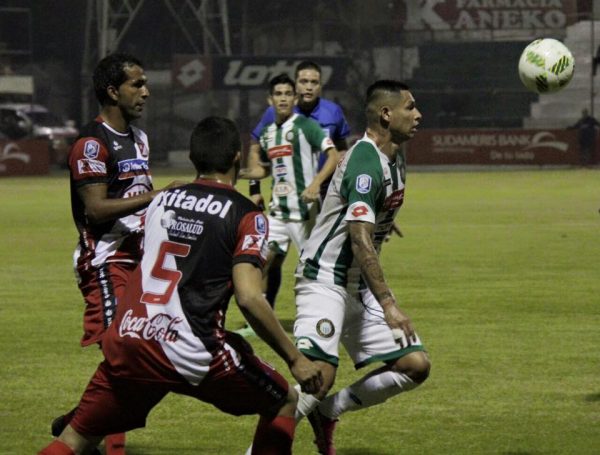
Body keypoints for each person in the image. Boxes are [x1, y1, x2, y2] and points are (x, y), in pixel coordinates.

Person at [39, 116, 323, 455]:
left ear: (191, 158)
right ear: (237, 157)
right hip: (190, 348)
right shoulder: (247, 215)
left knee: (73, 440)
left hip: (131, 339)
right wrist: (295, 359)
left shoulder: (160, 200)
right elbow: (248, 296)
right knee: (284, 401)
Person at [292, 80, 431, 454]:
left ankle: (329, 412)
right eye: (410, 107)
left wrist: (381, 215)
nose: (418, 114)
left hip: (357, 284)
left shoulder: (395, 154)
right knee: (317, 377)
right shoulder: (367, 160)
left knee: (414, 365)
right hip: (325, 278)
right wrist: (389, 304)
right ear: (386, 114)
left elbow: (366, 208)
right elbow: (359, 239)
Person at [53, 53, 181, 454]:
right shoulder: (91, 144)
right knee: (123, 353)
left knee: (150, 353)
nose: (146, 91)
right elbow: (95, 209)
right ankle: (111, 446)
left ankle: (76, 423)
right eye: (137, 84)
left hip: (141, 262)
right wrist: (159, 195)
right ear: (113, 91)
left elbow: (139, 202)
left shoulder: (139, 138)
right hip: (106, 262)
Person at [243, 61, 350, 325]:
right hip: (280, 209)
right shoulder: (271, 123)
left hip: (314, 204)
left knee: (316, 266)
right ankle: (261, 317)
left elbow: (339, 153)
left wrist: (324, 185)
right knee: (264, 260)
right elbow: (259, 156)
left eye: (314, 82)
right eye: (303, 81)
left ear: (320, 85)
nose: (308, 87)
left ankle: (327, 314)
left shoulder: (323, 117)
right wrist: (249, 184)